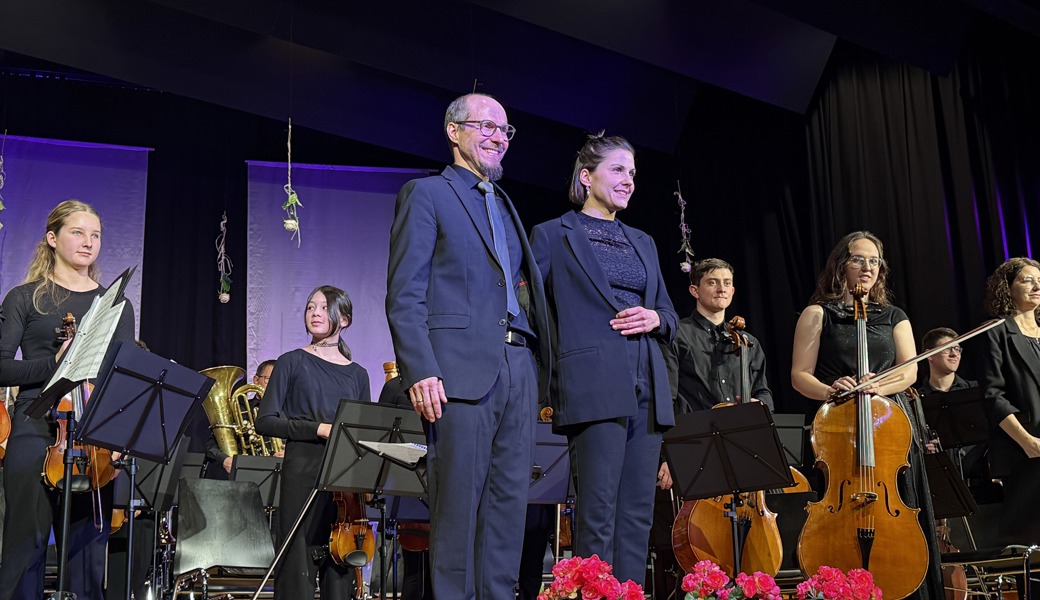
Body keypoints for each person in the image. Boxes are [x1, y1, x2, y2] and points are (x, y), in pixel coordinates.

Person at [385, 93, 548, 600]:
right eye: (486, 126)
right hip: (457, 371)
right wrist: (421, 369)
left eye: (506, 130)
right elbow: (405, 293)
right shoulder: (428, 193)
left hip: (518, 366)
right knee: (457, 512)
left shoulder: (504, 203)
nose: (499, 136)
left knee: (507, 513)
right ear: (453, 132)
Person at [530, 132, 677, 585]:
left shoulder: (644, 241)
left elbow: (670, 314)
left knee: (636, 516)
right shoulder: (552, 235)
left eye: (632, 173)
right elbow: (532, 311)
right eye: (618, 169)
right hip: (591, 382)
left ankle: (629, 594)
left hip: (647, 382)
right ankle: (596, 594)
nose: (628, 180)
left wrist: (654, 316)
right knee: (597, 512)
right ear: (586, 175)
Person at [790, 230, 943, 598]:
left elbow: (909, 371)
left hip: (889, 424)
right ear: (841, 265)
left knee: (902, 506)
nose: (867, 267)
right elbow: (799, 376)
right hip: (839, 426)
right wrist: (830, 390)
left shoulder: (894, 316)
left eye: (874, 261)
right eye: (859, 259)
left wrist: (881, 386)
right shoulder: (818, 314)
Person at [0, 200, 135, 600]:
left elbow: (120, 377)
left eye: (95, 235)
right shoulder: (25, 298)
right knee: (26, 546)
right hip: (34, 425)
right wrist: (55, 365)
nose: (88, 242)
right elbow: (3, 369)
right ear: (52, 238)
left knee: (88, 556)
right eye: (78, 232)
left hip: (94, 436)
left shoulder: (116, 306)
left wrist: (120, 437)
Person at [254, 285, 370, 600]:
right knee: (296, 569)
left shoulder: (358, 374)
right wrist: (318, 428)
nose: (315, 312)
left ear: (344, 319)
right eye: (310, 307)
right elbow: (265, 421)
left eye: (324, 307)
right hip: (301, 475)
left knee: (339, 569)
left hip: (343, 485)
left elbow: (361, 435)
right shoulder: (291, 361)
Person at [971, 257, 1040, 545]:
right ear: (1007, 288)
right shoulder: (996, 331)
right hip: (1024, 451)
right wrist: (1028, 441)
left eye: (1039, 280)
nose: (1036, 285)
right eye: (1027, 279)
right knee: (1030, 540)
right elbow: (993, 396)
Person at [204, 359, 277, 474]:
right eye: (269, 379)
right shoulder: (239, 409)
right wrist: (225, 460)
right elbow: (211, 444)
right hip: (243, 474)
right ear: (256, 380)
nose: (275, 384)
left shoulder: (291, 412)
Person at [919, 328, 974, 395]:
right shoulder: (918, 398)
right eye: (947, 348)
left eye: (957, 349)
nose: (954, 354)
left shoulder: (975, 389)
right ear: (929, 355)